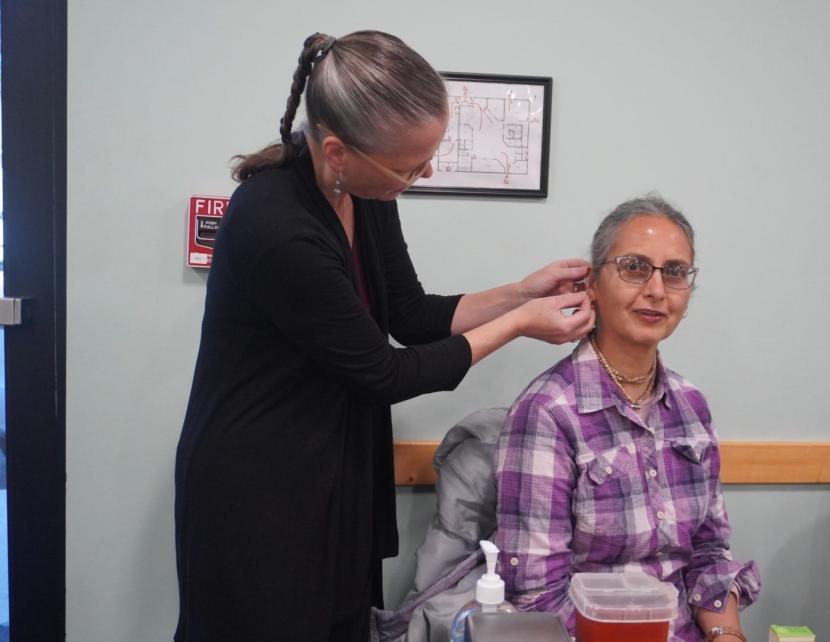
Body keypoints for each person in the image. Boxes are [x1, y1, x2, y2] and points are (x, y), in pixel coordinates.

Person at [174, 30, 595, 642]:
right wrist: (520, 325)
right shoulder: (276, 224)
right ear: (339, 151)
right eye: (408, 165)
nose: (421, 174)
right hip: (260, 484)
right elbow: (383, 373)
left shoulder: (362, 190)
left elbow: (411, 313)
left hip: (338, 469)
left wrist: (522, 291)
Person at [495, 195, 761, 641]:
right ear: (593, 285)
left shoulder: (691, 405)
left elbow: (709, 554)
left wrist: (727, 637)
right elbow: (536, 597)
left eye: (675, 272)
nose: (657, 290)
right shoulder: (547, 413)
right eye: (635, 267)